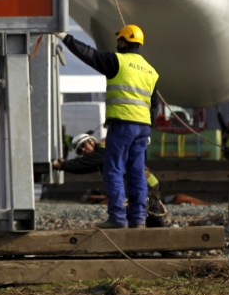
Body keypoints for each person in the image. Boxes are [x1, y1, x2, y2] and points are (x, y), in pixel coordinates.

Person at [58, 24, 159, 229]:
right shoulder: (151, 70)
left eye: (118, 40)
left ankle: (117, 218)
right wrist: (149, 127)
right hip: (143, 128)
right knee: (137, 172)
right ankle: (138, 218)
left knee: (113, 169)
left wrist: (66, 38)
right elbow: (154, 104)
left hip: (122, 125)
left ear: (123, 41)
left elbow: (90, 55)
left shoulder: (117, 61)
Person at [52, 133, 169, 227]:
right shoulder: (100, 158)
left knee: (153, 218)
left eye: (84, 145)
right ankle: (141, 248)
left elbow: (84, 163)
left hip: (146, 185)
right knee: (137, 217)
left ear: (92, 141)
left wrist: (62, 165)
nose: (83, 150)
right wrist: (65, 165)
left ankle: (167, 247)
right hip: (142, 185)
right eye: (80, 151)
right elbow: (83, 168)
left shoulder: (104, 150)